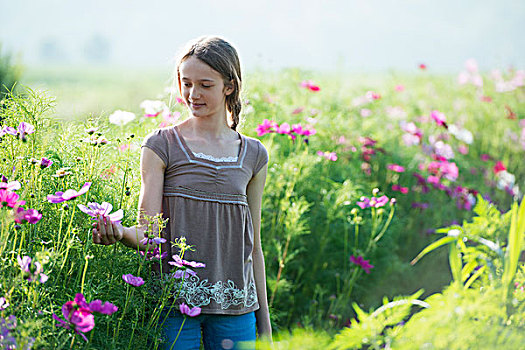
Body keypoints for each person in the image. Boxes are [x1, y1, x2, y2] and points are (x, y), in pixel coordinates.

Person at [92, 36, 272, 349]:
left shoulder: (254, 155)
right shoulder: (161, 146)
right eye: (186, 83)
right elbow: (151, 234)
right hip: (173, 307)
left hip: (237, 308)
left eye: (205, 84)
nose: (193, 94)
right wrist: (119, 232)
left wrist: (265, 326)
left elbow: (253, 245)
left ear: (229, 86)